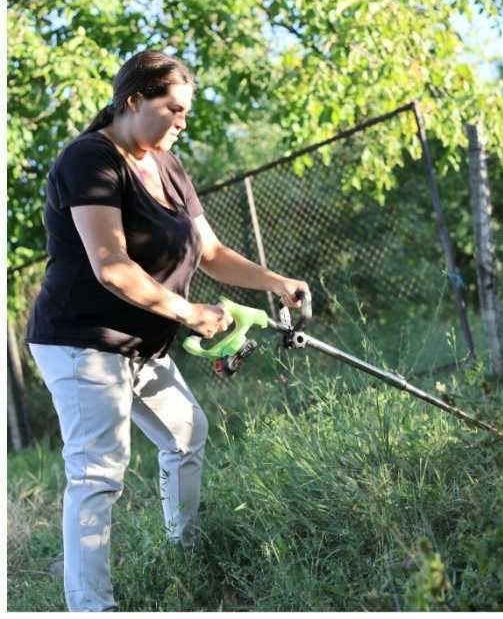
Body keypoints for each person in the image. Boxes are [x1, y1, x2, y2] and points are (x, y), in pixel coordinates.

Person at [25, 49, 310, 612]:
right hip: (81, 340)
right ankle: (91, 606)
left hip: (141, 344)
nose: (182, 122)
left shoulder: (168, 164)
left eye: (186, 112)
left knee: (186, 434)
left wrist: (275, 282)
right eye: (173, 109)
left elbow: (210, 251)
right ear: (133, 101)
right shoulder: (91, 160)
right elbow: (111, 266)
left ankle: (185, 552)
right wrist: (191, 314)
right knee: (98, 471)